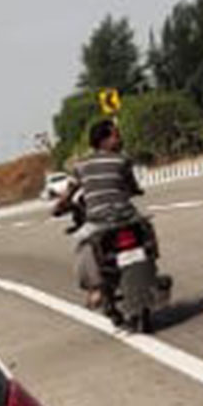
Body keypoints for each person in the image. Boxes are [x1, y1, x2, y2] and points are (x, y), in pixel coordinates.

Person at [53, 119, 149, 325]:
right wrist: (134, 191)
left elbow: (69, 193)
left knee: (81, 243)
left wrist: (59, 206)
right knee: (146, 228)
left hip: (99, 222)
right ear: (103, 140)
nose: (119, 139)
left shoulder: (81, 166)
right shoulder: (123, 160)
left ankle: (95, 288)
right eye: (116, 135)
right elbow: (132, 187)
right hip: (127, 217)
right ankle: (151, 260)